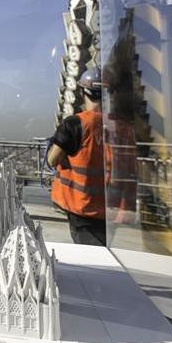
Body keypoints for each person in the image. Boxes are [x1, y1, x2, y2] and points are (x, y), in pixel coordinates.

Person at [47, 67, 107, 246]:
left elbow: (52, 160)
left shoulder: (74, 124)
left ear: (83, 92)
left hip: (82, 209)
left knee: (93, 262)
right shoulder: (121, 126)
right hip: (111, 211)